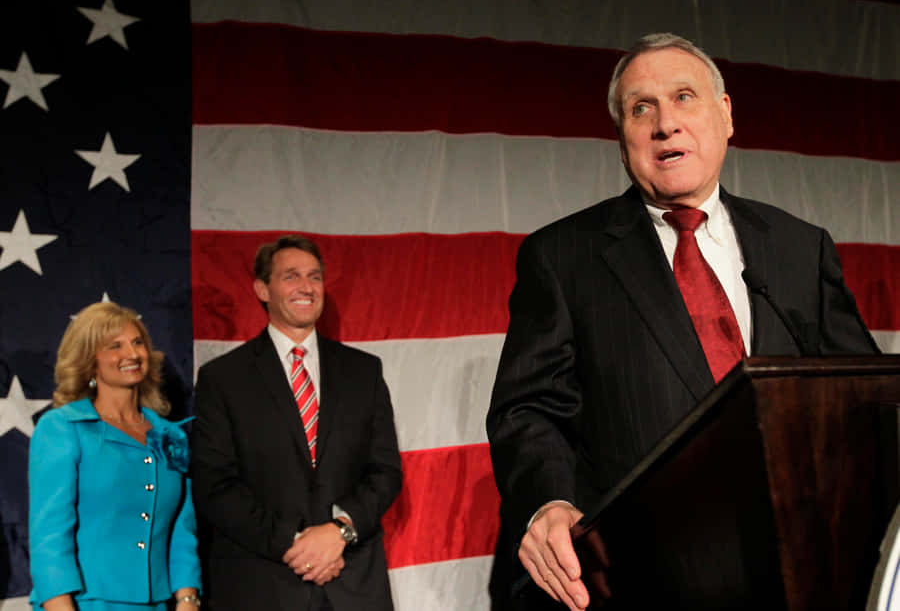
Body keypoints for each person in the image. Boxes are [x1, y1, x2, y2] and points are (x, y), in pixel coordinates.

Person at [486, 32, 880, 611]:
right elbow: (528, 409)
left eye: (684, 97)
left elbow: (863, 391)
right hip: (647, 577)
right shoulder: (564, 256)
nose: (665, 124)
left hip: (804, 566)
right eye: (641, 108)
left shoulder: (799, 247)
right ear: (622, 139)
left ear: (725, 116)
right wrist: (549, 502)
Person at [191, 235, 402, 611]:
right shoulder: (223, 378)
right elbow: (216, 486)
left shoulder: (363, 371)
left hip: (352, 585)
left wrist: (339, 532)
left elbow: (385, 471)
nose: (306, 287)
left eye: (314, 276)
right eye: (291, 276)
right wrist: (297, 544)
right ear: (262, 289)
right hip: (263, 585)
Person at [28, 302, 201, 610]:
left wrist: (187, 599)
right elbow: (49, 538)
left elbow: (181, 529)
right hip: (85, 603)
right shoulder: (62, 429)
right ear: (89, 361)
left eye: (137, 343)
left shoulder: (169, 435)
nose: (132, 354)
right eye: (114, 346)